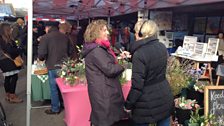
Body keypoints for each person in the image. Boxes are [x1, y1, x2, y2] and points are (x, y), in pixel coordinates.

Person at [123, 20, 174, 126]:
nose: (135, 35)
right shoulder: (161, 47)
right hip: (164, 96)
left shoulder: (139, 54)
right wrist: (132, 58)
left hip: (145, 104)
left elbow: (137, 86)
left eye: (136, 32)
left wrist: (128, 105)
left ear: (141, 33)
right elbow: (152, 63)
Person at [82, 19, 126, 126]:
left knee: (103, 118)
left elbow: (106, 64)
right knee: (104, 119)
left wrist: (119, 59)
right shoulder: (97, 50)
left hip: (103, 89)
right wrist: (122, 66)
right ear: (96, 33)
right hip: (104, 92)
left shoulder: (98, 48)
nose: (108, 33)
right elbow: (110, 69)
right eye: (104, 30)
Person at [38, 22, 74, 115]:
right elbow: (71, 51)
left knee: (54, 88)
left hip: (52, 66)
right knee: (65, 87)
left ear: (48, 27)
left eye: (45, 28)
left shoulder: (45, 37)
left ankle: (55, 109)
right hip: (64, 66)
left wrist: (43, 58)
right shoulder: (65, 37)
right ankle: (67, 106)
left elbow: (41, 55)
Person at [0, 23, 23, 103]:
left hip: (3, 61)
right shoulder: (5, 39)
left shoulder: (2, 38)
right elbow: (10, 50)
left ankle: (8, 95)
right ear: (6, 30)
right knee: (14, 77)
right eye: (10, 28)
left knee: (8, 78)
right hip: (8, 61)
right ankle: (12, 96)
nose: (12, 29)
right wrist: (19, 50)